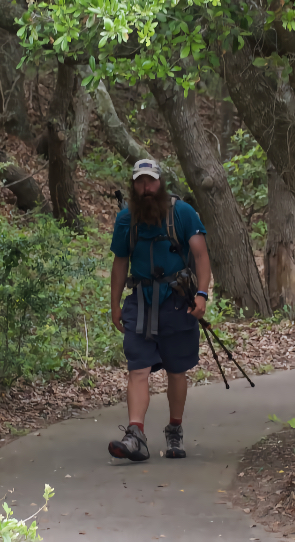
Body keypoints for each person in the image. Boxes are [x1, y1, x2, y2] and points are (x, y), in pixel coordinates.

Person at [108, 159, 211, 461]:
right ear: (133, 186)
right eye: (140, 182)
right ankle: (135, 434)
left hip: (177, 301)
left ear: (160, 183)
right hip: (140, 302)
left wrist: (202, 295)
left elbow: (201, 255)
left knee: (176, 370)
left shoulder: (182, 213)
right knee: (137, 369)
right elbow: (119, 264)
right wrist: (114, 304)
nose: (146, 188)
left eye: (150, 182)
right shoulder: (126, 220)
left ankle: (174, 430)